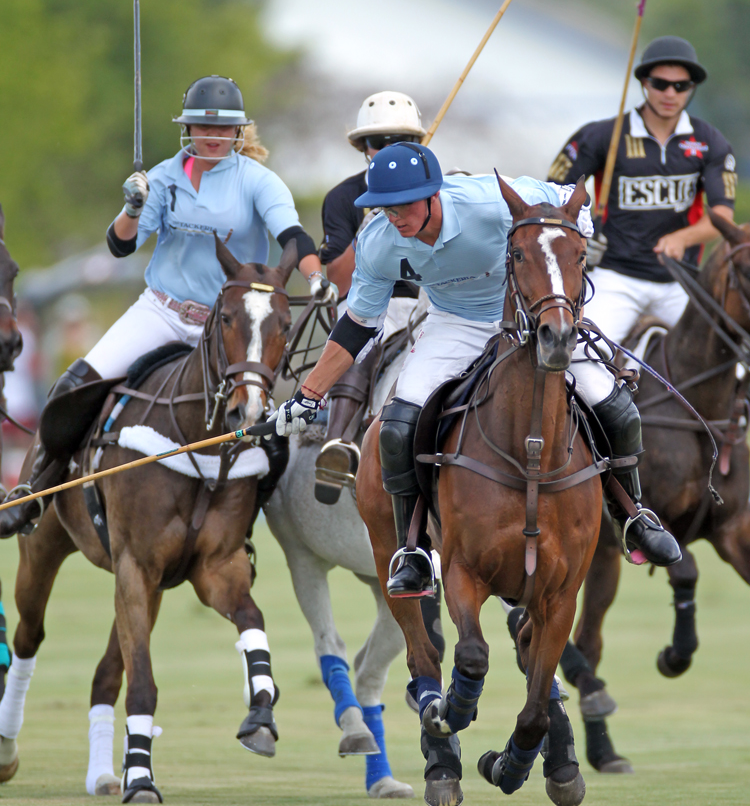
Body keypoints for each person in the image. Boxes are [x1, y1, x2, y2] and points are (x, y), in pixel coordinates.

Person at [270, 142, 681, 598]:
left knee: (617, 407)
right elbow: (358, 325)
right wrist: (308, 395)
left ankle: (633, 515)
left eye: (405, 204)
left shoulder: (487, 201)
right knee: (397, 426)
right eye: (386, 207)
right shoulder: (378, 242)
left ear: (434, 194)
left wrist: (574, 242)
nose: (396, 216)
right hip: (453, 323)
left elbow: (569, 197)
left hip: (530, 314)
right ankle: (414, 549)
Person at [0, 75, 335, 536]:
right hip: (161, 311)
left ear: (238, 131)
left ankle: (243, 526)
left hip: (229, 325)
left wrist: (316, 278)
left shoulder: (259, 181)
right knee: (72, 387)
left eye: (223, 128)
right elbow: (121, 246)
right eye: (203, 126)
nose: (213, 136)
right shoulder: (160, 178)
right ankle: (34, 491)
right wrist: (132, 207)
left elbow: (293, 235)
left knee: (266, 427)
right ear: (188, 129)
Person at [548, 36, 736, 340]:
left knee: (729, 357)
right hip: (614, 277)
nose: (670, 93)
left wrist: (682, 238)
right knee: (583, 352)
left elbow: (722, 216)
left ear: (691, 88)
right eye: (660, 84)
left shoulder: (710, 142)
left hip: (679, 282)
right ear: (644, 83)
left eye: (681, 86)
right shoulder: (601, 136)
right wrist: (582, 235)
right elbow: (552, 200)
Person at [314, 91, 426, 503]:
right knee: (363, 337)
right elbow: (339, 277)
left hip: (427, 298)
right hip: (370, 297)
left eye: (402, 140)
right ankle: (338, 445)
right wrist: (371, 226)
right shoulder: (344, 198)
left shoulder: (436, 191)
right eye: (380, 142)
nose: (390, 149)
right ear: (364, 148)